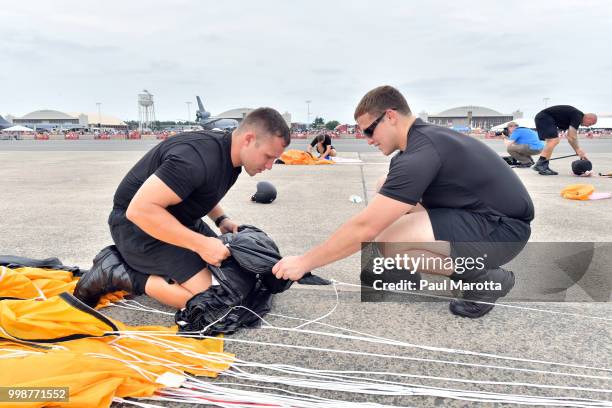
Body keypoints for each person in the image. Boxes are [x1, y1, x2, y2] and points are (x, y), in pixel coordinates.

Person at [273, 85, 534, 318]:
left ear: (390, 116)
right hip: (481, 217)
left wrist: (304, 262)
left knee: (387, 239)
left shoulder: (421, 152)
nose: (368, 139)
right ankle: (402, 270)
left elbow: (366, 227)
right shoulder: (420, 144)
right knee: (385, 188)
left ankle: (485, 278)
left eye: (369, 131)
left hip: (503, 230)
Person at [76, 108, 290, 309]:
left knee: (236, 277)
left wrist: (221, 219)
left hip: (178, 220)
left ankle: (163, 266)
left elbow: (201, 189)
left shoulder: (229, 156)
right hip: (138, 228)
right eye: (268, 156)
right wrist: (200, 244)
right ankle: (117, 270)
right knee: (218, 299)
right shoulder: (194, 159)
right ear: (249, 140)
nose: (270, 166)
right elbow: (139, 211)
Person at [533, 105, 597, 175]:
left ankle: (544, 166)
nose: (588, 126)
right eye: (590, 123)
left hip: (544, 118)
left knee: (552, 141)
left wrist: (577, 150)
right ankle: (540, 164)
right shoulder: (578, 116)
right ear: (589, 118)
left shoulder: (576, 116)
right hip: (545, 117)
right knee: (554, 140)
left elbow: (570, 137)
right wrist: (578, 150)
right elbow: (572, 136)